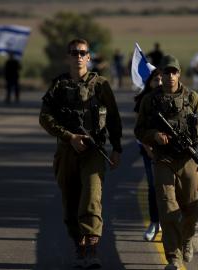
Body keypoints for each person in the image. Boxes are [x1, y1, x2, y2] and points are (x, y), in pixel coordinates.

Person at [39, 38, 122, 268]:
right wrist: (70, 137)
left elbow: (114, 118)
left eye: (82, 52)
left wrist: (117, 148)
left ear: (88, 57)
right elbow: (44, 118)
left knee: (92, 198)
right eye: (73, 52)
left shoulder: (100, 84)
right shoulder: (58, 85)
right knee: (71, 202)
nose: (78, 56)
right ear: (68, 57)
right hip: (67, 151)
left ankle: (92, 250)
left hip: (94, 151)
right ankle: (79, 245)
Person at [134, 54, 198, 270]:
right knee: (168, 209)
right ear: (160, 74)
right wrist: (154, 136)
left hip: (189, 160)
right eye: (166, 72)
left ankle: (187, 239)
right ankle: (173, 258)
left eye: (174, 72)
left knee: (192, 207)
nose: (170, 76)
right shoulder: (150, 101)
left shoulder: (192, 98)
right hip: (163, 160)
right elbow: (139, 130)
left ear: (179, 74)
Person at [134, 69, 163, 241]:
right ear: (149, 82)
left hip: (169, 151)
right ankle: (154, 222)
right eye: (155, 79)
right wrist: (148, 149)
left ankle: (168, 224)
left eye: (161, 79)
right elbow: (139, 129)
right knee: (153, 186)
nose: (159, 83)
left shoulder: (170, 98)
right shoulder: (142, 101)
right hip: (149, 151)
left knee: (168, 188)